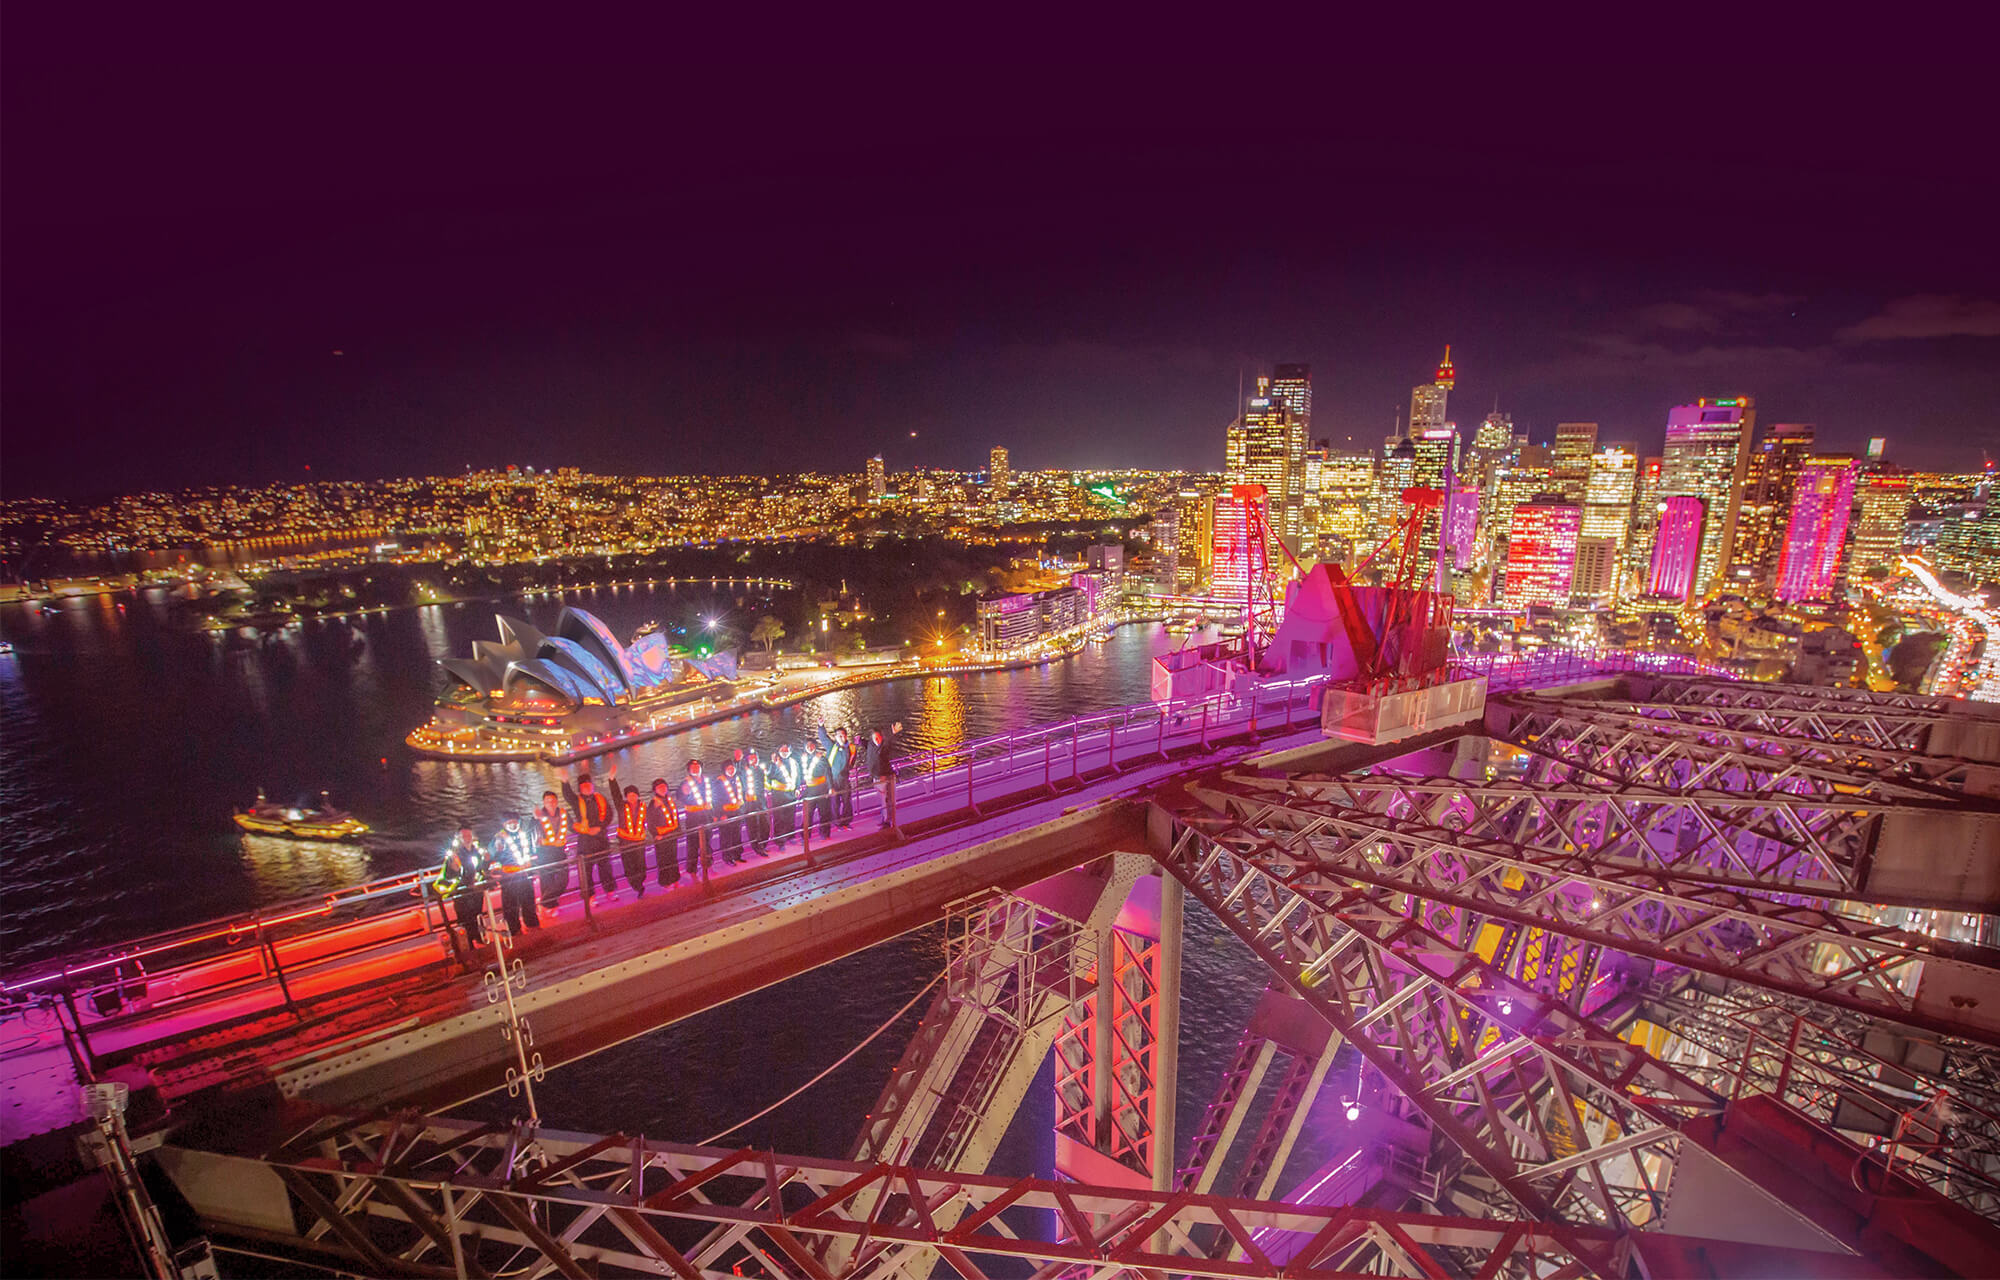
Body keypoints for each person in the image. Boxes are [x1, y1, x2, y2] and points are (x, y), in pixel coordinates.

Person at [563, 773, 617, 903]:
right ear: (580, 788)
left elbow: (609, 814)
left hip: (601, 839)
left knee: (606, 868)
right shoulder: (576, 801)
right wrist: (564, 781)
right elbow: (567, 795)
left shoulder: (600, 798)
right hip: (585, 842)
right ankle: (590, 897)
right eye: (584, 785)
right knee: (586, 872)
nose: (587, 787)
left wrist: (600, 827)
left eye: (589, 784)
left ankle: (610, 891)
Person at [433, 826, 489, 949]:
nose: (467, 838)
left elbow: (482, 869)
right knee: (464, 917)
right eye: (464, 836)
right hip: (461, 891)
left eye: (469, 835)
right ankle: (468, 943)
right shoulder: (454, 856)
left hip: (476, 890)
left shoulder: (477, 851)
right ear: (459, 839)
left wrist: (487, 861)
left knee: (477, 914)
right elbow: (448, 875)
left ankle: (479, 936)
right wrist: (455, 871)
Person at [488, 815, 541, 938]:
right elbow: (492, 855)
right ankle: (514, 930)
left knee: (528, 901)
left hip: (524, 873)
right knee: (510, 905)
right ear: (504, 824)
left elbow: (531, 849)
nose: (513, 824)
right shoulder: (499, 838)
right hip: (509, 876)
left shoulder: (523, 834)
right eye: (509, 822)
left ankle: (532, 925)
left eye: (514, 821)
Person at [532, 790, 572, 910]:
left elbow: (572, 826)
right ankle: (550, 906)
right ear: (544, 803)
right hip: (545, 854)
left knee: (563, 879)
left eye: (553, 800)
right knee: (546, 880)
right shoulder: (538, 817)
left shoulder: (563, 814)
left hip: (560, 852)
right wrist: (534, 819)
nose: (551, 803)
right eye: (548, 801)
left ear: (557, 801)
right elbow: (533, 837)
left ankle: (545, 901)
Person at [865, 721, 905, 830]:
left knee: (887, 799)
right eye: (875, 738)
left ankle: (888, 821)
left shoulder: (884, 745)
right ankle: (885, 819)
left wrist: (893, 733)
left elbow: (889, 741)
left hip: (885, 775)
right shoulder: (871, 744)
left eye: (878, 737)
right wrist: (859, 742)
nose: (877, 740)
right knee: (883, 799)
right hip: (877, 776)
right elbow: (866, 744)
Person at [677, 760, 713, 879]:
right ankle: (692, 870)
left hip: (706, 816)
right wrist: (685, 793)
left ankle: (709, 866)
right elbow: (680, 797)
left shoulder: (706, 781)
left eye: (697, 766)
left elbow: (713, 796)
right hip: (693, 819)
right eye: (693, 767)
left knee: (707, 843)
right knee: (693, 846)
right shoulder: (685, 783)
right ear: (689, 770)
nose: (696, 769)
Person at [646, 778, 682, 887]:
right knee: (663, 860)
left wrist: (678, 830)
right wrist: (655, 834)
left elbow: (675, 816)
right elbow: (650, 821)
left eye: (664, 786)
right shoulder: (653, 804)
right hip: (661, 836)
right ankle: (665, 882)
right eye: (659, 787)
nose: (662, 789)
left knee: (673, 858)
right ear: (655, 790)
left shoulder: (670, 800)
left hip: (672, 834)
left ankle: (675, 879)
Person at [615, 783, 650, 897]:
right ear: (626, 797)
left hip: (639, 840)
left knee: (641, 863)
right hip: (625, 841)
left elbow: (649, 819)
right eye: (629, 795)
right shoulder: (621, 806)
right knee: (629, 865)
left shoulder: (643, 806)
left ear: (638, 795)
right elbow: (615, 795)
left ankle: (640, 883)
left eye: (634, 795)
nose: (632, 797)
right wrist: (612, 780)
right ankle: (637, 886)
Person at [765, 742, 801, 847]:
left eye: (787, 750)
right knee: (779, 819)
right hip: (779, 796)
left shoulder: (794, 762)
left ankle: (791, 836)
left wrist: (798, 788)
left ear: (790, 751)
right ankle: (780, 842)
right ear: (778, 751)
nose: (785, 752)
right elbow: (769, 776)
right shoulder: (774, 763)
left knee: (790, 817)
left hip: (791, 795)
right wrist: (772, 763)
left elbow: (798, 776)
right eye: (782, 750)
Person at [801, 740, 834, 841]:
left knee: (824, 812)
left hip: (821, 789)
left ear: (815, 746)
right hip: (809, 790)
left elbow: (828, 773)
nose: (810, 747)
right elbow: (799, 774)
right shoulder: (803, 759)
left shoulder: (821, 758)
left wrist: (830, 787)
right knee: (807, 813)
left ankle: (825, 833)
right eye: (808, 746)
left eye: (812, 745)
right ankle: (805, 836)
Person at [714, 761, 747, 864]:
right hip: (726, 814)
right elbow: (715, 800)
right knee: (726, 837)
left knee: (737, 835)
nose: (731, 770)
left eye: (733, 768)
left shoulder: (737, 779)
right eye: (729, 769)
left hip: (737, 812)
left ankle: (737, 855)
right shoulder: (719, 782)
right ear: (724, 770)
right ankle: (727, 858)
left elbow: (743, 792)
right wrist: (720, 814)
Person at [739, 749, 769, 854]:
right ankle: (757, 847)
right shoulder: (743, 770)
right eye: (750, 757)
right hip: (750, 804)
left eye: (754, 757)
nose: (753, 759)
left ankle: (764, 844)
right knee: (753, 826)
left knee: (765, 824)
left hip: (761, 801)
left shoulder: (760, 769)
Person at [829, 727, 856, 828]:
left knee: (847, 801)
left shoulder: (850, 748)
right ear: (835, 737)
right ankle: (836, 822)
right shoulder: (832, 747)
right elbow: (823, 738)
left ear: (846, 736)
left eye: (842, 735)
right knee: (835, 802)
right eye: (838, 735)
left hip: (844, 778)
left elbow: (852, 761)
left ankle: (846, 821)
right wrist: (821, 726)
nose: (840, 737)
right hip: (834, 779)